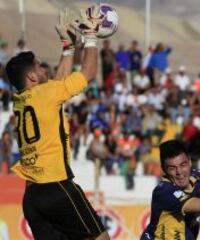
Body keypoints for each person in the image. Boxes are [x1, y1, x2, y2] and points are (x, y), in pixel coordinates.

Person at [5, 6, 110, 240]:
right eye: (40, 66)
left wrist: (68, 47)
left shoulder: (21, 100)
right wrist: (90, 37)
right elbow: (89, 73)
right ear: (32, 77)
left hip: (32, 197)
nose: (45, 69)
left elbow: (57, 84)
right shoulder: (45, 94)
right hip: (56, 187)